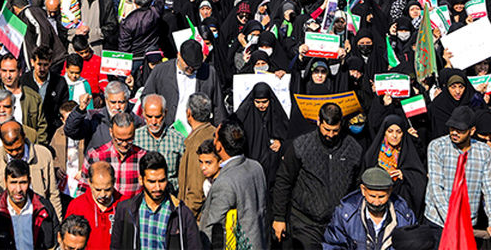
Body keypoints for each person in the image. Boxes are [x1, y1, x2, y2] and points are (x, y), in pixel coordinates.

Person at [272, 102, 363, 250]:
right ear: (319, 121)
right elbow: (284, 180)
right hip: (305, 223)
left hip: (339, 224)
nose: (330, 135)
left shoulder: (353, 149)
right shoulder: (301, 146)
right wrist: (279, 217)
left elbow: (358, 186)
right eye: (327, 130)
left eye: (335, 130)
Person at [423, 105, 491, 243]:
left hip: (468, 223)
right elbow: (436, 188)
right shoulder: (437, 147)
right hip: (439, 222)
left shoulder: (483, 152)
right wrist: (452, 219)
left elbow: (490, 189)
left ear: (472, 130)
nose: (454, 133)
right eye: (452, 128)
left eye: (460, 130)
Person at [108, 151, 202, 250]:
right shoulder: (125, 210)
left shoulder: (182, 213)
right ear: (141, 180)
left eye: (162, 181)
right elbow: (115, 247)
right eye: (151, 182)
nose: (157, 187)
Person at [199, 118, 269, 250]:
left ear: (219, 146)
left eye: (216, 137)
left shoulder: (226, 182)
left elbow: (212, 227)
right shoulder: (256, 167)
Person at [322, 167, 417, 250]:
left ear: (390, 191)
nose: (376, 202)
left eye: (381, 197)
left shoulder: (404, 216)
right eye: (372, 196)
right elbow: (333, 244)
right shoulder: (345, 214)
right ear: (363, 190)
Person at [0, 157, 59, 250]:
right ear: (5, 182)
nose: (18, 189)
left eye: (23, 182)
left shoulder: (44, 208)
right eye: (13, 183)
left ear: (30, 181)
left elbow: (56, 240)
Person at [65, 161, 121, 250]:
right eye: (98, 190)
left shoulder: (124, 205)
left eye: (107, 189)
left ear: (114, 182)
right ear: (90, 183)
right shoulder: (77, 206)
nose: (103, 195)